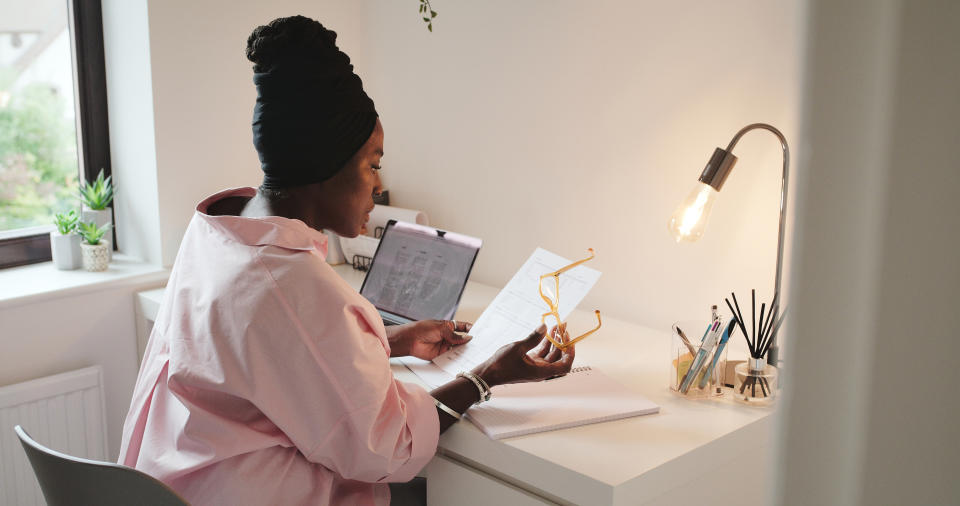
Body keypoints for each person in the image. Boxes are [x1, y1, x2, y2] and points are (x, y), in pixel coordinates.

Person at [118, 15, 574, 506]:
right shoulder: (294, 285)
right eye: (373, 164)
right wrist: (486, 376)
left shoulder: (219, 233)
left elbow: (264, 359)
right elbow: (387, 446)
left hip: (178, 484)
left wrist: (389, 340)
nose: (379, 184)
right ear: (324, 166)